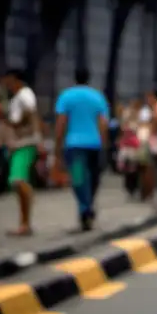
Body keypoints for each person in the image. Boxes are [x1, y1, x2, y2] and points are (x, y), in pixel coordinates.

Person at [53, 68, 111, 231]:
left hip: (74, 145)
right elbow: (102, 123)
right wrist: (104, 145)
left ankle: (85, 208)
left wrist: (58, 146)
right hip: (94, 144)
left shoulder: (66, 97)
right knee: (93, 178)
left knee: (79, 179)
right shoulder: (97, 97)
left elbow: (61, 123)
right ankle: (88, 206)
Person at [2, 69, 41, 237]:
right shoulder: (17, 98)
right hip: (19, 144)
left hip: (25, 143)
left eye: (9, 80)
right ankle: (24, 224)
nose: (7, 84)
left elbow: (31, 113)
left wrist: (17, 124)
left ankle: (26, 219)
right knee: (17, 182)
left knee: (18, 181)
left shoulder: (25, 94)